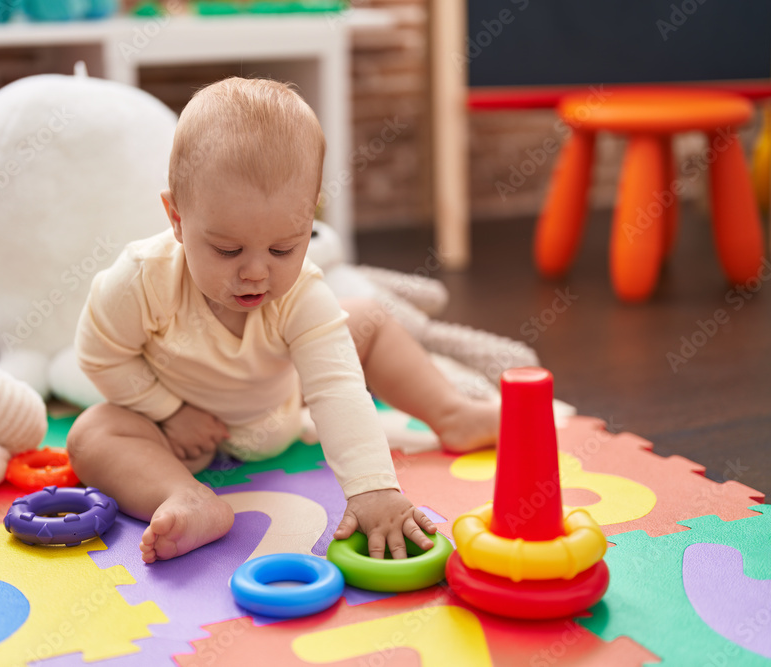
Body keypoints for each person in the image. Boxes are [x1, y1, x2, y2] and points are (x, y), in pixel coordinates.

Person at [68, 77, 499, 565]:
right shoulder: (140, 279)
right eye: (227, 249)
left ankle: (449, 412)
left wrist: (372, 489)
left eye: (283, 248)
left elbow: (336, 388)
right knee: (90, 434)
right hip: (181, 438)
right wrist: (166, 409)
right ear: (177, 218)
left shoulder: (302, 293)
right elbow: (98, 354)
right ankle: (186, 496)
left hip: (281, 410)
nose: (256, 272)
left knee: (366, 318)